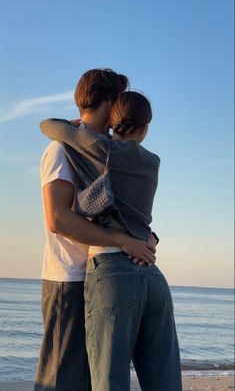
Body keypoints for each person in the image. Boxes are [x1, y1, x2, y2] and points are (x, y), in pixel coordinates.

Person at [40, 91, 182, 391]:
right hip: (152, 274)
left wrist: (77, 124)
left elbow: (49, 126)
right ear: (146, 127)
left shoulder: (100, 149)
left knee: (109, 383)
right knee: (165, 382)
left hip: (112, 271)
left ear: (111, 118)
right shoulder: (153, 162)